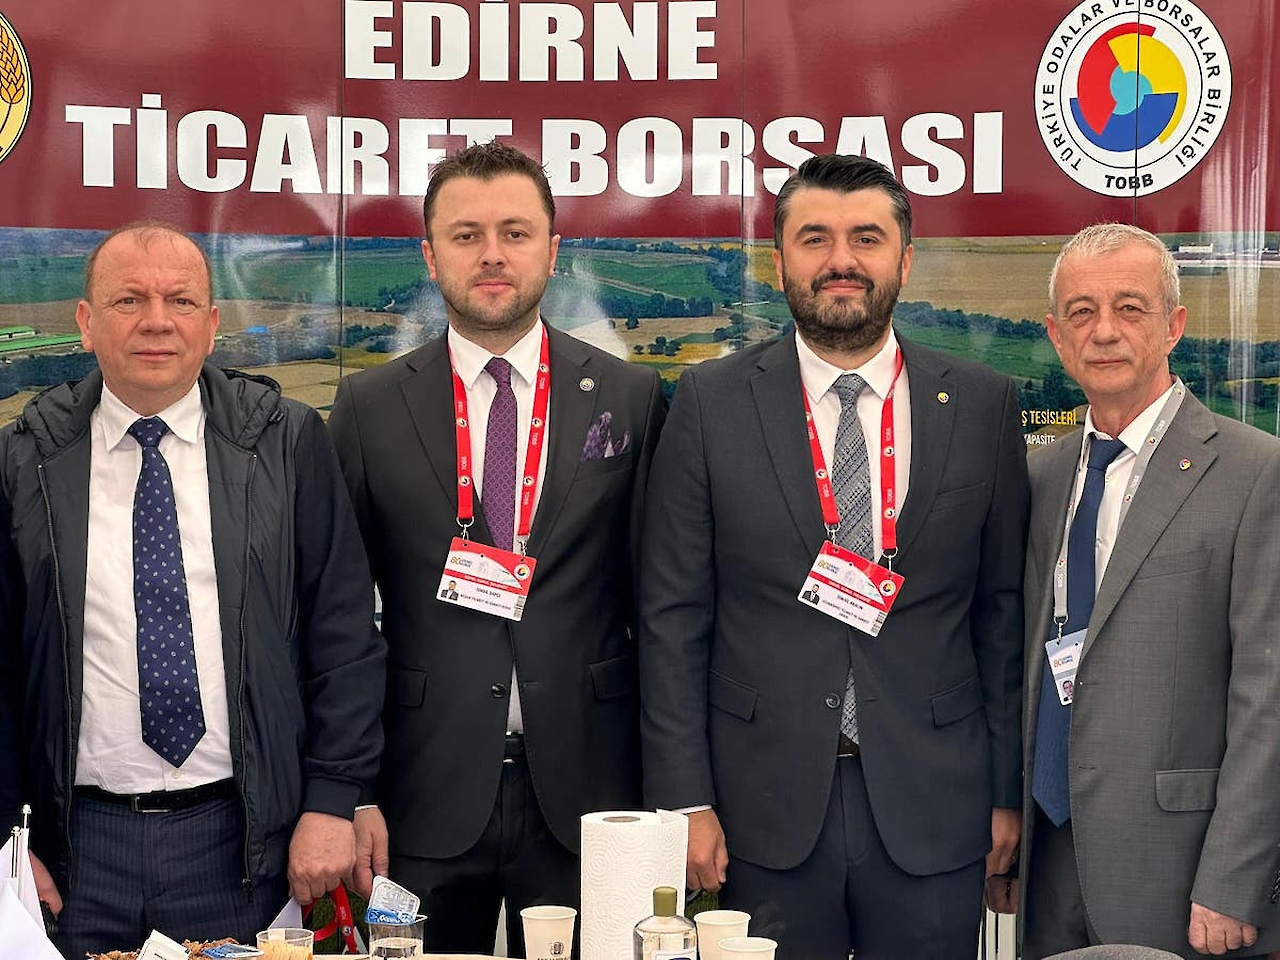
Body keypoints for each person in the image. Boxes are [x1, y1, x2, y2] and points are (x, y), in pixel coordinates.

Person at [638, 154, 1029, 959]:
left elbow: (1000, 616)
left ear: (905, 260)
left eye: (866, 238)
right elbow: (672, 617)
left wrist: (1004, 794)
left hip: (936, 804)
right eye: (814, 238)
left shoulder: (982, 404)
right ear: (779, 262)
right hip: (759, 810)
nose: (841, 260)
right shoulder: (710, 403)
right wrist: (684, 799)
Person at [0, 222, 386, 959]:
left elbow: (343, 638)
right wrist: (8, 842)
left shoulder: (287, 442)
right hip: (76, 856)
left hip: (243, 847)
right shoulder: (24, 462)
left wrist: (333, 800)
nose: (156, 320)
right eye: (129, 300)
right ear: (85, 322)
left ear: (210, 326)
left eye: (180, 301)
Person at [327, 141, 666, 957]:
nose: (491, 254)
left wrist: (673, 791)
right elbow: (336, 620)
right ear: (429, 255)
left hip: (594, 792)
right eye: (466, 234)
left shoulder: (631, 396)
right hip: (419, 793)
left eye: (515, 232)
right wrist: (350, 791)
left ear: (553, 249)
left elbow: (663, 605)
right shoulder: (369, 408)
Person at [1012, 223, 1280, 959]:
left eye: (1130, 308)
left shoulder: (1256, 473)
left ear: (1174, 326)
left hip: (1181, 873)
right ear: (1056, 336)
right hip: (1049, 857)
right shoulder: (1040, 476)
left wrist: (1235, 879)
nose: (1104, 331)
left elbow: (1269, 698)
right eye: (1082, 312)